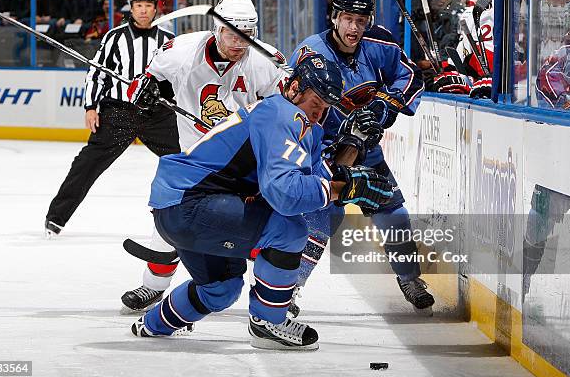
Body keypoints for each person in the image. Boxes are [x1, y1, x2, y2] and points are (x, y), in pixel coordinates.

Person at [129, 53, 394, 350]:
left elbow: (320, 181)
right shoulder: (283, 115)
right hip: (192, 204)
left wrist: (352, 144)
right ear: (294, 88)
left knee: (221, 291)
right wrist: (344, 189)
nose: (319, 113)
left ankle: (152, 325)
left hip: (180, 206)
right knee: (288, 230)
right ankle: (268, 322)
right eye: (315, 103)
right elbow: (285, 194)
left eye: (326, 106)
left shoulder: (298, 121)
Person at [120, 0, 287, 312]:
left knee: (260, 227)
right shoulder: (182, 51)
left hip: (244, 162)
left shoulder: (265, 62)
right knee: (172, 215)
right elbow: (141, 83)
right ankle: (153, 286)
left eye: (247, 35)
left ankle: (272, 296)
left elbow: (282, 111)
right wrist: (145, 91)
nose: (239, 43)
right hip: (195, 157)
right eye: (231, 34)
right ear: (216, 29)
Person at [288, 0, 435, 317]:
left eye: (361, 20)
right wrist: (333, 129)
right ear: (334, 17)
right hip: (321, 153)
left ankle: (410, 279)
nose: (354, 28)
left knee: (393, 212)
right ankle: (288, 288)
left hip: (365, 150)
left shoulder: (378, 44)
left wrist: (385, 107)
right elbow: (291, 102)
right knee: (321, 221)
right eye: (348, 19)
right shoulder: (311, 52)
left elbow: (410, 76)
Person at [45, 0, 178, 237]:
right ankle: (56, 218)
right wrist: (91, 106)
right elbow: (96, 73)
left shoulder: (169, 40)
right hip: (119, 113)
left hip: (157, 115)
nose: (143, 10)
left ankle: (198, 214)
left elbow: (178, 77)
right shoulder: (114, 37)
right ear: (131, 6)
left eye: (148, 5)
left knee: (186, 160)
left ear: (155, 8)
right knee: (86, 165)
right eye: (138, 5)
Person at [432, 0, 494, 98]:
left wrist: (496, 81)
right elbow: (462, 57)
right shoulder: (469, 14)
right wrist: (449, 72)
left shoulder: (500, 12)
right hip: (480, 90)